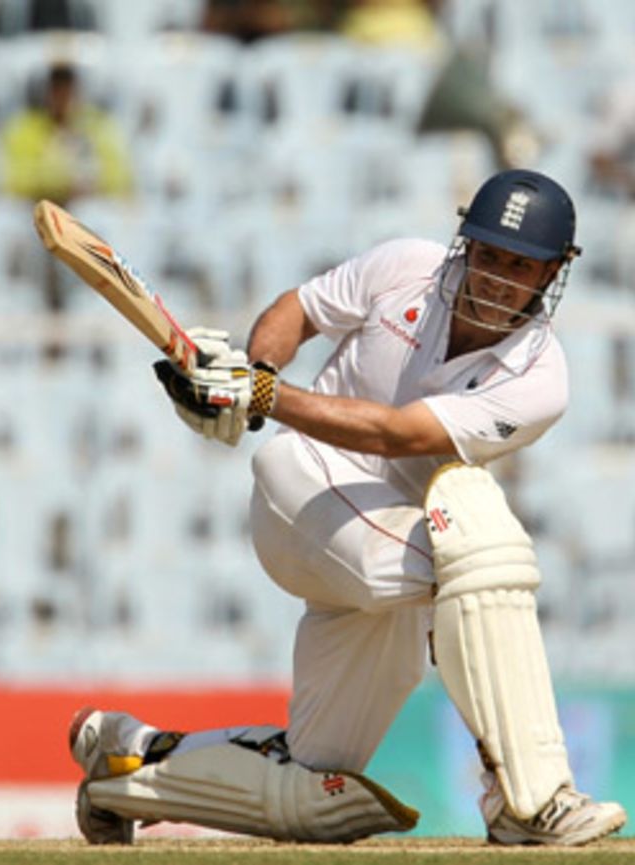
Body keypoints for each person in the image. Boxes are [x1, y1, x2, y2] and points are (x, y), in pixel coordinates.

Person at [68, 169, 628, 846]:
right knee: (483, 548)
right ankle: (531, 802)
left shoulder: (541, 377)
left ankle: (125, 763)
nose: (497, 278)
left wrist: (263, 396)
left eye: (520, 265)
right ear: (464, 244)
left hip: (385, 555)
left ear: (553, 273)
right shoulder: (406, 267)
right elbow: (295, 312)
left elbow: (401, 433)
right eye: (486, 254)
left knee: (311, 789)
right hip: (302, 488)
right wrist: (259, 374)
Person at [0, 61, 133, 205]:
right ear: (46, 94)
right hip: (36, 208)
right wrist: (59, 187)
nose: (62, 99)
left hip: (90, 207)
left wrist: (92, 187)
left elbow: (120, 176)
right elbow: (13, 180)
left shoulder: (98, 127)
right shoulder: (25, 129)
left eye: (68, 91)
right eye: (56, 91)